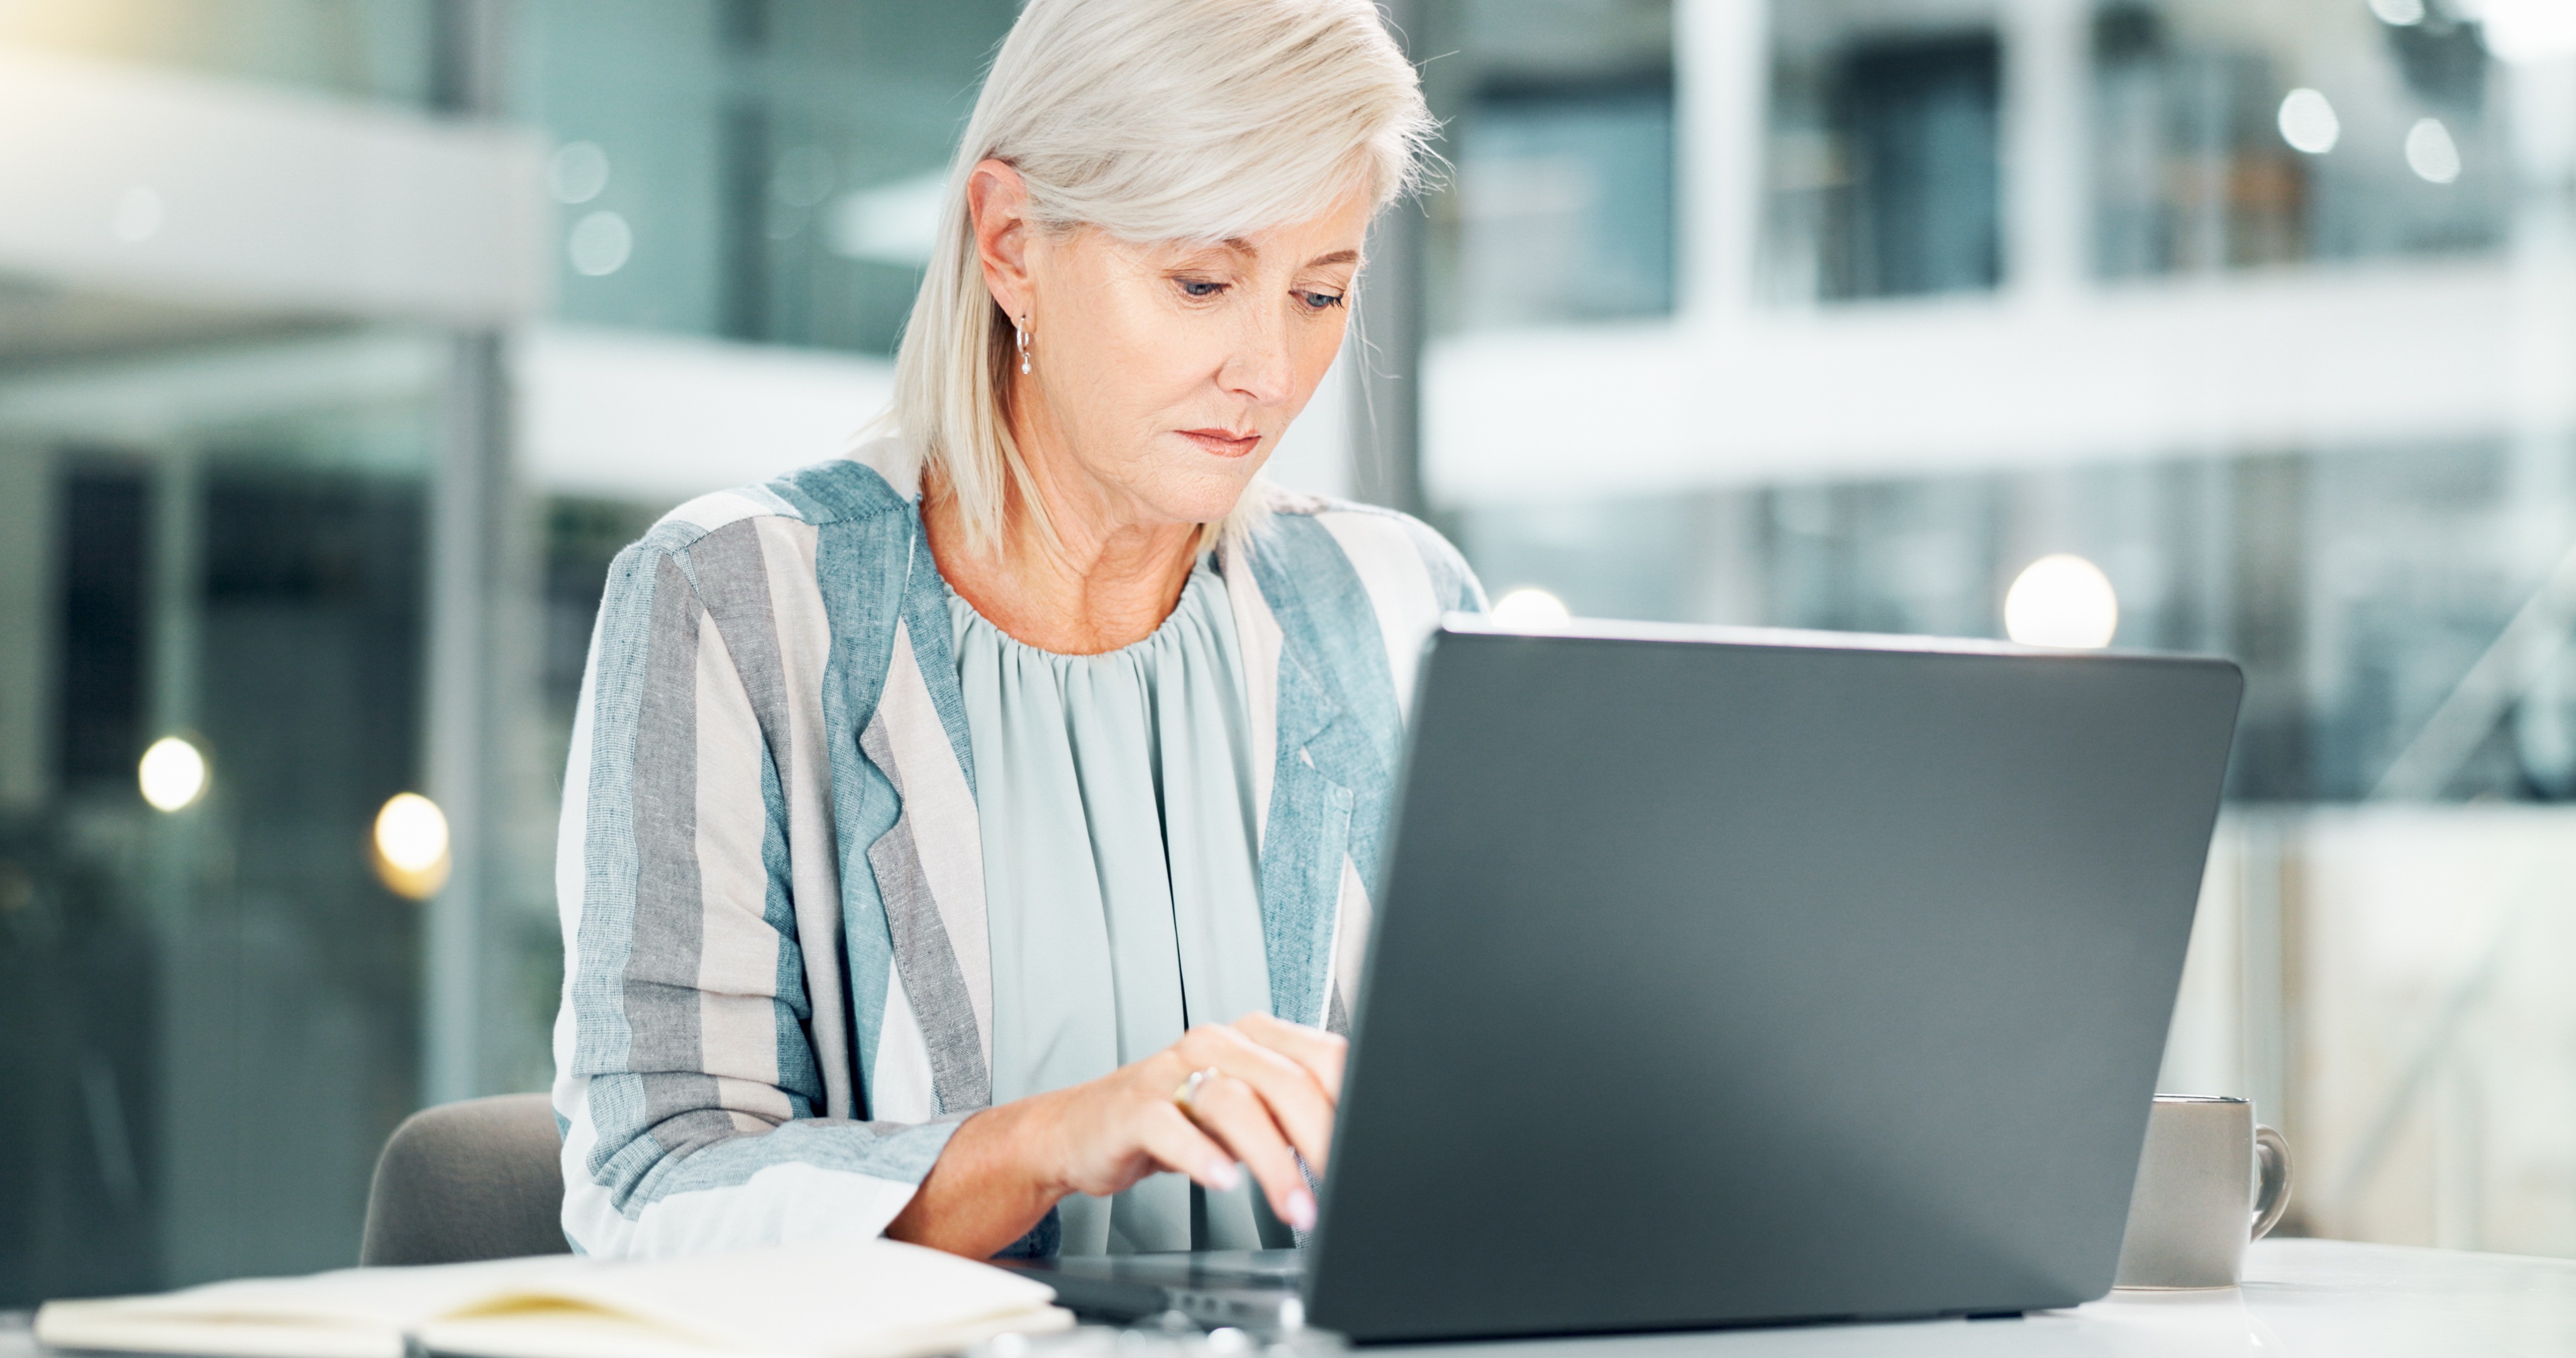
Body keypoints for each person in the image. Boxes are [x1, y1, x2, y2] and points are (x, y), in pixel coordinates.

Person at [552, 0, 1477, 1261]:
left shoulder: (1397, 602)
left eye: (1319, 294)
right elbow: (652, 1183)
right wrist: (1056, 1137)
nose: (1266, 369)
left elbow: (1519, 1106)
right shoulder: (736, 603)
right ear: (1010, 243)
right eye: (1201, 283)